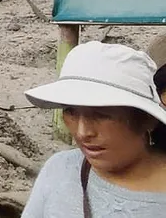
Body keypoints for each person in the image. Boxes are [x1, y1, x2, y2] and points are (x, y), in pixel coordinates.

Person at [21, 41, 166, 217]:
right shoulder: (60, 169)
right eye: (71, 112)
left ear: (146, 119)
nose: (82, 133)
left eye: (101, 115)